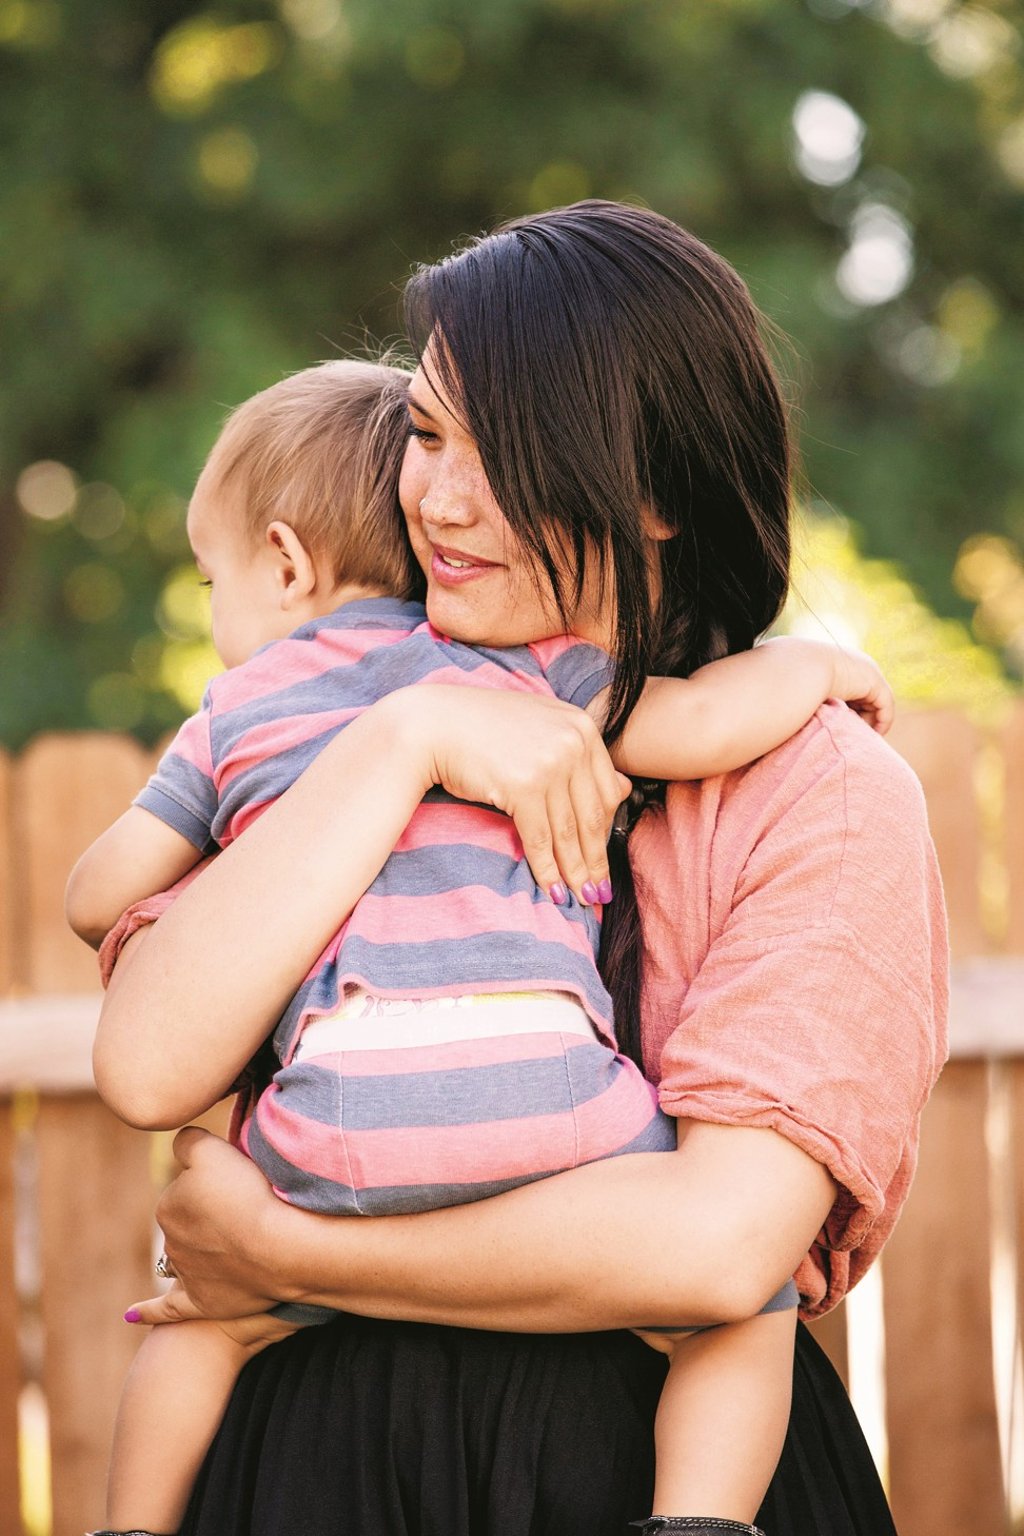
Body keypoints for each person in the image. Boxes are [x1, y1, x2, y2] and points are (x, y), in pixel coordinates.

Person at [90, 201, 948, 1536]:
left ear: (657, 496)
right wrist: (406, 739)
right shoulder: (332, 736)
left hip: (635, 1475)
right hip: (326, 1475)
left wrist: (286, 1252)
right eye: (427, 433)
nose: (433, 496)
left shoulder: (822, 792)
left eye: (505, 454)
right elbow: (148, 1065)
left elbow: (717, 1245)